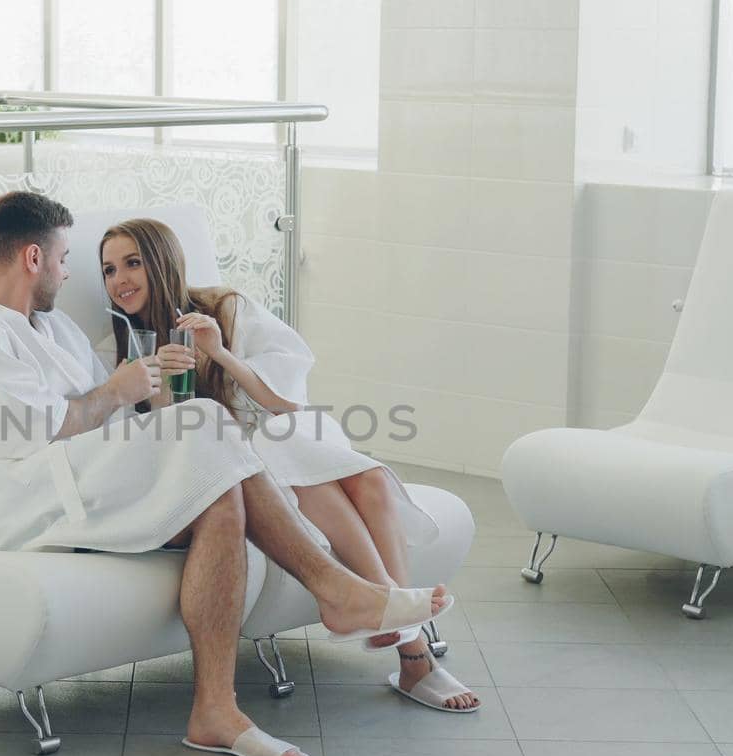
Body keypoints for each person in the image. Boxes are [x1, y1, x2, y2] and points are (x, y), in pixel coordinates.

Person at [0, 191, 450, 756]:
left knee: (218, 496)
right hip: (17, 493)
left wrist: (146, 396)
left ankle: (215, 712)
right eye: (67, 258)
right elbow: (37, 431)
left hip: (85, 472)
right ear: (32, 258)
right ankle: (336, 590)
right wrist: (121, 390)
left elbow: (123, 423)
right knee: (204, 425)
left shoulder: (58, 331)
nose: (71, 274)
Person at [99, 217, 479, 713]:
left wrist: (220, 354)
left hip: (285, 434)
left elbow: (286, 402)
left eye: (133, 263)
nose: (120, 280)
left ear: (162, 261)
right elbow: (161, 446)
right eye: (108, 270)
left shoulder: (225, 309)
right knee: (290, 462)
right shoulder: (119, 349)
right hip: (243, 466)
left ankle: (386, 614)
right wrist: (157, 385)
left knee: (370, 483)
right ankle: (412, 648)